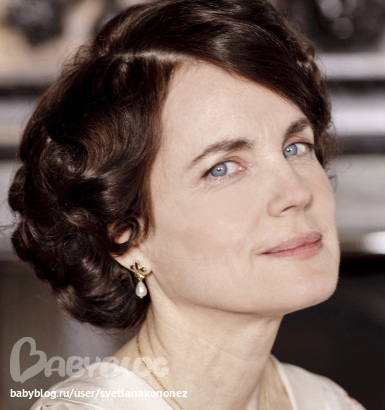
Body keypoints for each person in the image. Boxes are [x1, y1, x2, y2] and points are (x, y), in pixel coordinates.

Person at [8, 0, 366, 408]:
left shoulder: (326, 400)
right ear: (125, 236)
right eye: (222, 168)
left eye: (295, 147)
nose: (297, 193)